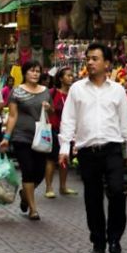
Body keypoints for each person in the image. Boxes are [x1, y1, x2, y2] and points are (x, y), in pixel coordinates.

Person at [59, 43, 127, 253]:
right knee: (92, 198)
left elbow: (126, 120)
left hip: (112, 149)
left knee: (117, 191)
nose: (90, 63)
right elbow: (68, 120)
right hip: (86, 151)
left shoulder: (118, 90)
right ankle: (98, 241)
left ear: (107, 64)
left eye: (95, 58)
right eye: (88, 59)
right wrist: (65, 147)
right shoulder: (77, 89)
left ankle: (115, 237)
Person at [0, 61, 51, 221]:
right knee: (28, 170)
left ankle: (25, 194)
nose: (35, 74)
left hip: (41, 137)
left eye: (37, 71)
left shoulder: (45, 91)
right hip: (22, 137)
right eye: (31, 71)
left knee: (40, 172)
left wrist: (48, 108)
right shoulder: (17, 91)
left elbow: (50, 113)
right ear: (24, 73)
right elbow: (13, 116)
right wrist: (6, 138)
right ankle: (33, 209)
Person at [44, 67, 77, 198]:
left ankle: (63, 186)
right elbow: (46, 109)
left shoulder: (73, 94)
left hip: (68, 130)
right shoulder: (52, 92)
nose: (71, 78)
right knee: (52, 159)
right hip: (53, 128)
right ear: (60, 78)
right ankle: (48, 187)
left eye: (71, 75)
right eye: (68, 75)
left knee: (65, 158)